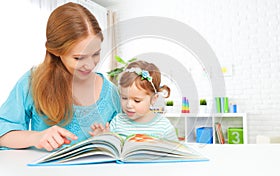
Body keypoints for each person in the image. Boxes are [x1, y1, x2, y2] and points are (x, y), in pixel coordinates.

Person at [0, 2, 121, 151]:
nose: (90, 65)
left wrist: (109, 138)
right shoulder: (32, 82)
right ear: (56, 51)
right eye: (78, 58)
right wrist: (36, 138)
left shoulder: (111, 94)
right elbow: (3, 133)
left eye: (96, 54)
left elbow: (123, 138)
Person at [89, 60, 178, 141]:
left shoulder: (164, 127)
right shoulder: (117, 122)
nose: (129, 105)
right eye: (124, 98)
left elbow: (177, 154)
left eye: (137, 100)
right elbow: (110, 151)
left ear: (154, 98)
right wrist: (102, 138)